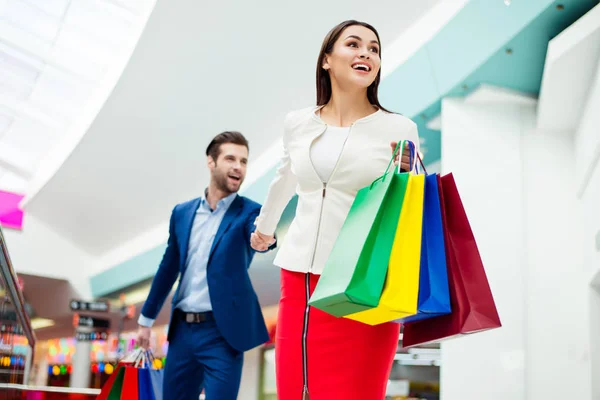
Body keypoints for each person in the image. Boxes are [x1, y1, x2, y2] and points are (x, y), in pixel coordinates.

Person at [250, 20, 420, 399]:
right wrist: (265, 229)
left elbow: (407, 202)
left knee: (359, 390)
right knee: (296, 388)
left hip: (366, 281)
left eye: (374, 49)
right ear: (327, 59)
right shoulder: (298, 123)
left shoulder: (399, 128)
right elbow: (286, 178)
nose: (366, 53)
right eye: (354, 44)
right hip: (301, 279)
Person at [136, 131, 274, 400]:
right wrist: (145, 320)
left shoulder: (250, 212)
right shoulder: (182, 213)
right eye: (231, 159)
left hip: (223, 333)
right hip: (182, 332)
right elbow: (168, 269)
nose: (239, 167)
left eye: (244, 161)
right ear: (210, 162)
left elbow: (260, 232)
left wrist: (263, 239)